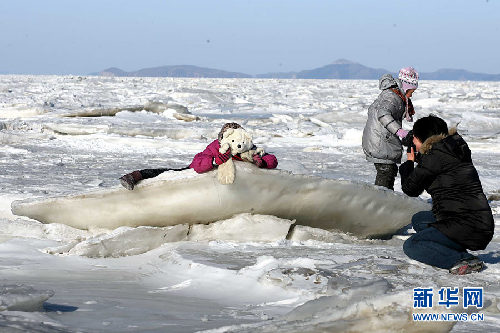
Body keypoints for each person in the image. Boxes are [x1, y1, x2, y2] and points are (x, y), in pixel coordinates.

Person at [399, 115, 494, 274]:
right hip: (477, 222)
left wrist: (409, 163)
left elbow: (410, 189)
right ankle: (448, 247)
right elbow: (436, 167)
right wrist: (420, 157)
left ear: (424, 139)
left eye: (415, 138)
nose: (413, 141)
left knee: (412, 245)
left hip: (466, 225)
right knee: (420, 220)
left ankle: (461, 260)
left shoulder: (434, 157)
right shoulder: (452, 149)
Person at [120, 122, 278, 190]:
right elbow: (197, 163)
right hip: (195, 174)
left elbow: (272, 160)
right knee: (168, 173)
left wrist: (262, 162)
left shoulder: (249, 148)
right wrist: (215, 161)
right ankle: (135, 176)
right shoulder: (216, 147)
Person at [362, 67, 419, 190]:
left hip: (380, 139)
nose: (411, 95)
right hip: (380, 142)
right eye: (411, 91)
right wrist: (401, 132)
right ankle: (381, 204)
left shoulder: (395, 95)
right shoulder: (392, 97)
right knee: (386, 172)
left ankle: (383, 201)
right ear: (407, 87)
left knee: (389, 171)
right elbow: (383, 114)